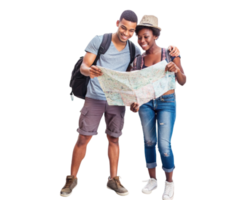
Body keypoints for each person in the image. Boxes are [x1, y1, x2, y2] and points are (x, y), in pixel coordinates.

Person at [58, 10, 181, 198]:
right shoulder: (100, 40)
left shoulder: (135, 49)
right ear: (116, 23)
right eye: (124, 27)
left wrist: (174, 49)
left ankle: (113, 179)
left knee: (114, 138)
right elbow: (85, 64)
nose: (127, 33)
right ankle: (71, 179)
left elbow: (149, 56)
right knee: (84, 137)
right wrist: (89, 70)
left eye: (132, 31)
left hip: (118, 101)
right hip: (95, 97)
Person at [128, 14, 188, 200]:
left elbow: (183, 82)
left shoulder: (170, 53)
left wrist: (176, 67)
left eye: (146, 36)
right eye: (138, 37)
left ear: (155, 35)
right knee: (148, 142)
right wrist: (132, 102)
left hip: (166, 103)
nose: (141, 40)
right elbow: (132, 88)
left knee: (164, 145)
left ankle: (170, 183)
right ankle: (152, 179)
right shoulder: (137, 61)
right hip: (146, 104)